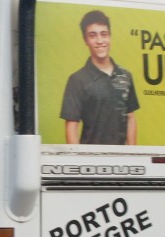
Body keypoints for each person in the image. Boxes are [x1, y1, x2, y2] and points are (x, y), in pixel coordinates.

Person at [60, 10, 139, 145]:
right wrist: (79, 161)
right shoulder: (77, 80)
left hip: (121, 161)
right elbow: (71, 126)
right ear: (85, 40)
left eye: (104, 34)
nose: (100, 41)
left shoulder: (125, 76)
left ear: (110, 36)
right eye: (92, 35)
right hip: (92, 161)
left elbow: (130, 117)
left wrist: (133, 155)